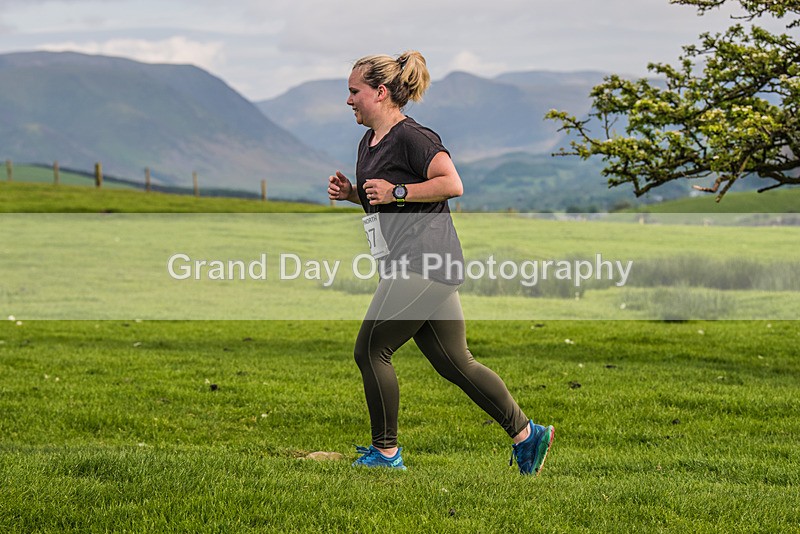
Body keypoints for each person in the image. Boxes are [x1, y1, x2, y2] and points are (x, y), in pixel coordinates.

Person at [327, 50, 554, 475]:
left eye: (353, 91)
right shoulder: (368, 142)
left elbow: (452, 183)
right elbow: (384, 196)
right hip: (414, 264)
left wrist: (397, 192)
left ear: (380, 92)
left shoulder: (414, 137)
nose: (349, 100)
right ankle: (528, 435)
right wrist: (355, 194)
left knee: (371, 349)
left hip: (424, 263)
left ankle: (386, 453)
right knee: (455, 362)